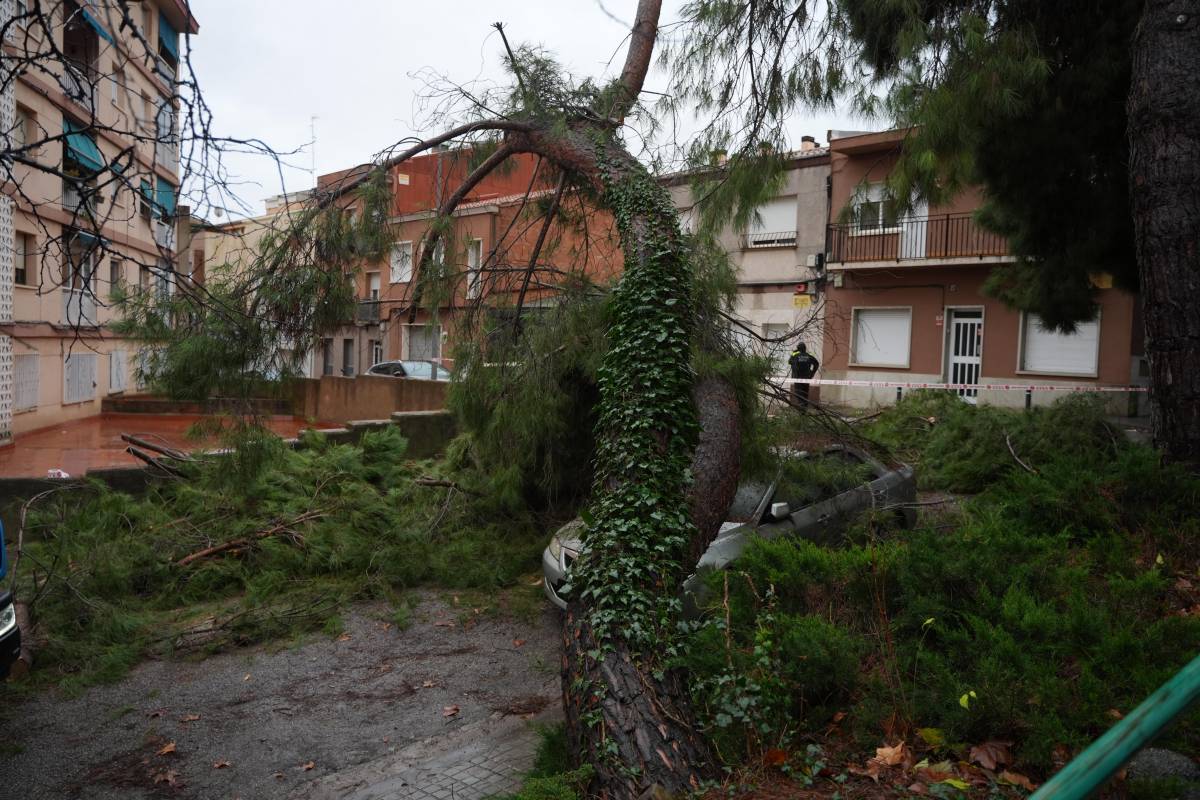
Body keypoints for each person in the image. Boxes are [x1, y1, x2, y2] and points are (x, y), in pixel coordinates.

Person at [788, 342, 819, 408]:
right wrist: (812, 373)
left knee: (799, 394)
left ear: (798, 348)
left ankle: (801, 409)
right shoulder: (809, 356)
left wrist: (793, 353)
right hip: (807, 378)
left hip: (797, 378)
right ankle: (804, 409)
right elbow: (816, 364)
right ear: (805, 348)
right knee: (805, 394)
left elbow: (789, 361)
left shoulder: (796, 356)